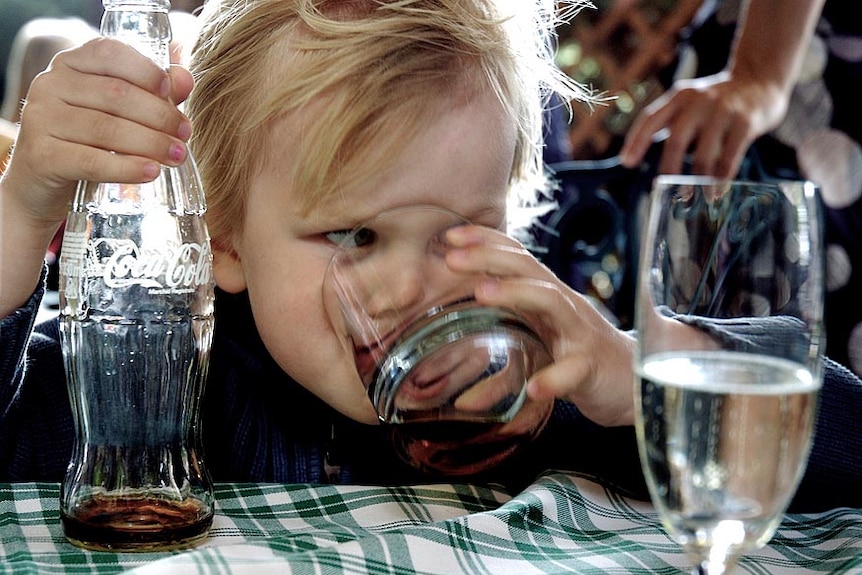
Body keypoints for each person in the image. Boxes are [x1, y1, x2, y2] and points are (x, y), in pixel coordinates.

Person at [0, 0, 858, 512]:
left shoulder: (515, 389)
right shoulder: (160, 380)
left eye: (460, 231)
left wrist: (631, 374)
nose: (414, 289)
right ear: (223, 238)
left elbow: (843, 446)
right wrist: (21, 206)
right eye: (354, 235)